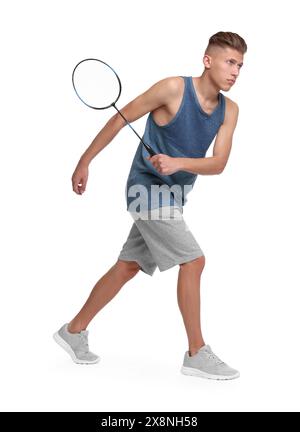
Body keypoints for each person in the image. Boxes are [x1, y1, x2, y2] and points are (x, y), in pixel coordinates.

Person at [54, 31, 247, 380]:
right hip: (144, 190)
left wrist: (177, 163)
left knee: (128, 267)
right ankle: (196, 352)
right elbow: (119, 119)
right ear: (208, 61)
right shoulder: (173, 88)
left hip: (174, 197)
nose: (235, 71)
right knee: (194, 260)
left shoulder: (229, 110)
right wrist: (85, 161)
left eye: (240, 65)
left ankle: (73, 329)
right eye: (230, 62)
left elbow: (219, 164)